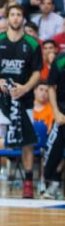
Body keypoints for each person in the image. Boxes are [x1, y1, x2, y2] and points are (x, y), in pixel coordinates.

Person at [0, 5, 42, 199]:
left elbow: (37, 72)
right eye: (12, 14)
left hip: (23, 97)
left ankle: (28, 183)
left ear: (23, 19)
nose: (16, 18)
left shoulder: (33, 43)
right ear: (8, 18)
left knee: (27, 140)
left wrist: (25, 88)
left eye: (19, 15)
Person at [43, 52, 65, 199]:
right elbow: (51, 86)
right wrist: (56, 112)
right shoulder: (60, 60)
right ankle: (51, 182)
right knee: (55, 148)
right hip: (63, 112)